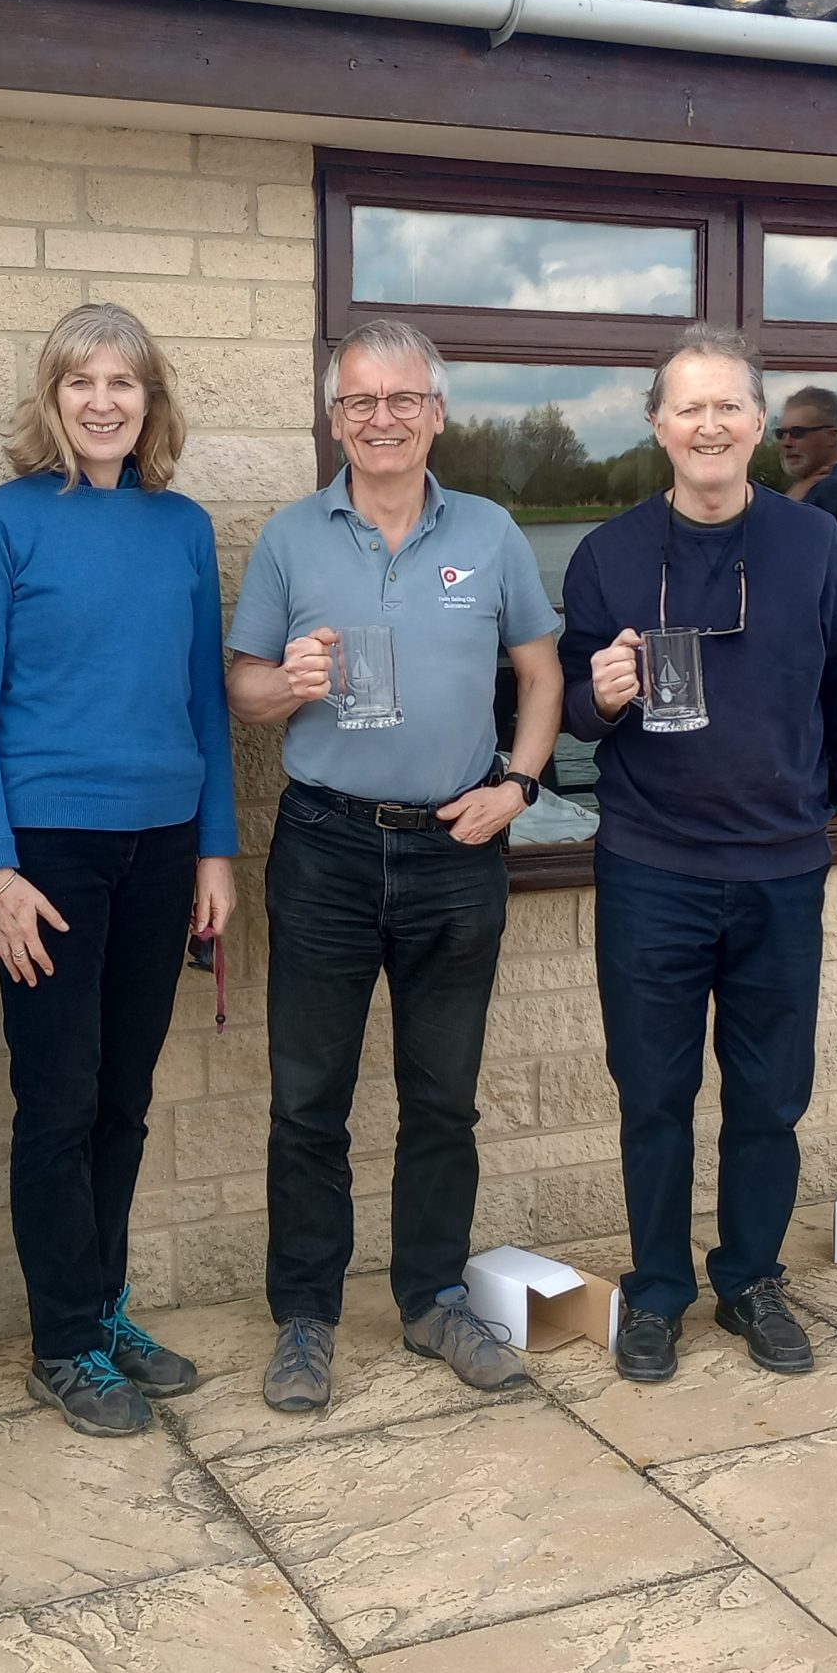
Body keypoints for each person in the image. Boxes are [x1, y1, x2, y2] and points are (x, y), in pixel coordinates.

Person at [226, 318, 564, 1413]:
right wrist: (286, 684)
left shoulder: (492, 531)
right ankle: (305, 1318)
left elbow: (543, 673)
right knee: (306, 1103)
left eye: (403, 399)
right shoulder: (291, 538)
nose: (383, 418)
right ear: (334, 419)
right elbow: (241, 688)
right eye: (360, 401)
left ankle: (432, 1299)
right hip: (324, 845)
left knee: (443, 1101)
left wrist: (518, 785)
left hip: (455, 849)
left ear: (437, 413)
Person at [560, 324, 837, 1387]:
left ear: (756, 422)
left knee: (768, 1097)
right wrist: (597, 695)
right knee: (653, 1094)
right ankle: (658, 1291)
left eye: (728, 407)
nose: (708, 425)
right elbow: (568, 708)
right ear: (657, 425)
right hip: (649, 868)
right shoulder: (607, 554)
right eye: (688, 408)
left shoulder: (814, 545)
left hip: (782, 867)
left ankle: (751, 1280)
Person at [0, 304, 237, 1438]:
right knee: (58, 1101)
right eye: (81, 382)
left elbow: (205, 702)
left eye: (123, 382)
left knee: (124, 1097)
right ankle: (62, 1341)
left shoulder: (183, 527)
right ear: (51, 397)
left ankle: (104, 1307)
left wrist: (216, 850)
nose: (103, 402)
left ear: (150, 401)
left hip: (163, 846)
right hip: (47, 855)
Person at [775, 386, 837, 582]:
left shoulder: (834, 489)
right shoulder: (810, 488)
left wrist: (786, 508)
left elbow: (791, 568)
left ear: (832, 436)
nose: (786, 442)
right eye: (781, 433)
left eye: (797, 432)